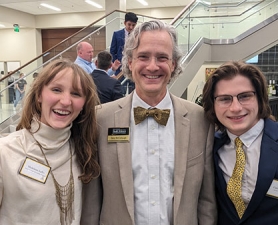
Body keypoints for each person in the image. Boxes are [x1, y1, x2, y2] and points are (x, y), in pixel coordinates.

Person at [81, 20, 217, 225]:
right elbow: (91, 201)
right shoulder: (100, 119)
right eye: (143, 56)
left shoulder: (200, 120)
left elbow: (206, 201)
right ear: (129, 62)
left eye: (162, 57)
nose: (152, 66)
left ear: (173, 64)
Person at [0, 59, 100, 224]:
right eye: (56, 90)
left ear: (84, 104)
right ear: (39, 94)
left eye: (76, 93)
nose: (66, 101)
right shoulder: (5, 151)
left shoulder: (85, 151)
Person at [202, 61, 278, 225]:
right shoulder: (210, 146)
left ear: (260, 98)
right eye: (225, 99)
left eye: (245, 96)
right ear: (213, 105)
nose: (235, 108)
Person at [110, 12, 138, 94]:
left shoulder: (137, 35)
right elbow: (112, 50)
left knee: (133, 90)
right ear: (124, 23)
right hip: (120, 68)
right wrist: (116, 62)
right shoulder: (116, 34)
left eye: (133, 25)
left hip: (133, 66)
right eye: (129, 24)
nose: (131, 27)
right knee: (120, 90)